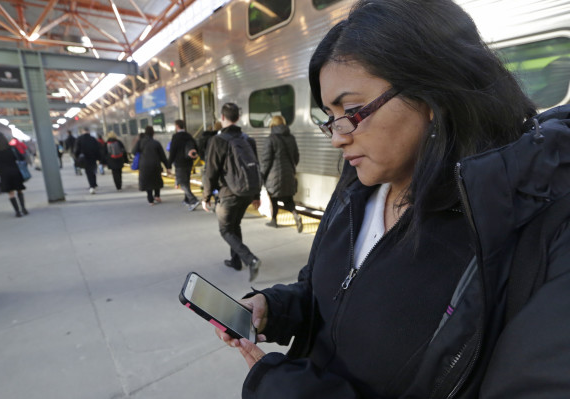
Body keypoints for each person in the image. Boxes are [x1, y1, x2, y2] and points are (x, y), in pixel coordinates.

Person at [215, 1, 570, 398]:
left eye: (350, 110)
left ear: (432, 94)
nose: (337, 136)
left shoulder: (520, 227)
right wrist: (277, 307)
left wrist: (290, 391)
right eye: (329, 116)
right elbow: (328, 290)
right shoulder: (358, 185)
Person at [202, 103, 262, 281]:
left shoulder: (217, 141)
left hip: (229, 193)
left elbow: (210, 171)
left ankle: (251, 259)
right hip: (247, 193)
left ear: (222, 118)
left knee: (225, 229)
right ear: (238, 118)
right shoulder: (247, 140)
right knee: (235, 226)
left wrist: (206, 197)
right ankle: (236, 261)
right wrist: (256, 195)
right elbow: (256, 168)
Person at [260, 115, 303, 232]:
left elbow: (266, 161)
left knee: (273, 198)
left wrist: (262, 175)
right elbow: (296, 157)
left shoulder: (270, 139)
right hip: (288, 174)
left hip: (273, 176)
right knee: (288, 200)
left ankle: (274, 220)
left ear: (272, 125)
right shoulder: (291, 138)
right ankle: (295, 215)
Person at [0, 134, 29, 217]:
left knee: (11, 193)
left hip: (4, 174)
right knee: (19, 190)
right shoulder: (12, 148)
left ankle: (17, 211)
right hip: (15, 171)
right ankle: (23, 208)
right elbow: (21, 157)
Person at [168, 119, 199, 211]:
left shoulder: (176, 137)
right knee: (186, 181)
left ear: (177, 126)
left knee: (182, 182)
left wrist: (169, 165)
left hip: (180, 163)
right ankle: (187, 199)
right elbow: (196, 147)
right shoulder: (189, 136)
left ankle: (193, 200)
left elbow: (172, 151)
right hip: (189, 162)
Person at [136, 126, 170, 205]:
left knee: (148, 182)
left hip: (144, 165)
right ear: (153, 133)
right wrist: (167, 166)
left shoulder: (140, 142)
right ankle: (157, 196)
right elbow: (163, 156)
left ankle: (150, 200)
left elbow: (134, 151)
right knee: (156, 180)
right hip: (155, 164)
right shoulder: (156, 143)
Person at [74, 128, 102, 194]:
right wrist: (99, 158)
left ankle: (91, 186)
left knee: (88, 172)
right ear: (88, 132)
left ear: (83, 131)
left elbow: (76, 149)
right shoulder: (93, 139)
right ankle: (94, 184)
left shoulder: (79, 139)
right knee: (93, 170)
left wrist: (76, 157)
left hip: (85, 158)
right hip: (93, 158)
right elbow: (98, 149)